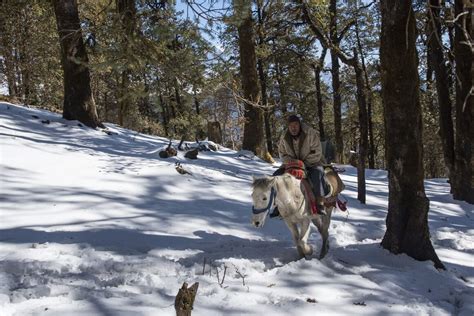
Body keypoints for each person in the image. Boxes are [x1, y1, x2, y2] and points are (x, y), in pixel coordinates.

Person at [270, 114, 328, 217]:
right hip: (292, 164)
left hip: (311, 162)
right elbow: (282, 154)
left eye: (296, 125)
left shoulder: (310, 133)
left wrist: (303, 164)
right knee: (276, 176)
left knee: (318, 173)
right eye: (291, 125)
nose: (293, 128)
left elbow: (317, 152)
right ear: (288, 126)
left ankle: (320, 203)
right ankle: (277, 205)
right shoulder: (284, 137)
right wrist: (292, 163)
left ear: (300, 125)